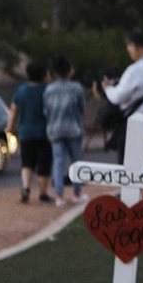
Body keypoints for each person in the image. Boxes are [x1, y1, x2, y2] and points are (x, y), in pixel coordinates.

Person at [101, 29, 143, 161]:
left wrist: (108, 89)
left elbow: (118, 97)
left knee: (128, 171)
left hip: (131, 126)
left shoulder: (135, 70)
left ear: (134, 47)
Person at [44, 56, 88, 206]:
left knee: (58, 161)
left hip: (54, 128)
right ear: (69, 71)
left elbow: (46, 110)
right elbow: (82, 108)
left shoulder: (50, 89)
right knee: (76, 161)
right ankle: (77, 192)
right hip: (73, 128)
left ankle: (59, 196)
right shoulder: (76, 88)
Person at [8, 63, 53, 204]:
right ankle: (43, 193)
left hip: (25, 132)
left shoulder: (21, 91)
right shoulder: (47, 91)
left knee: (27, 162)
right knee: (44, 163)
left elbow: (14, 110)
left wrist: (10, 126)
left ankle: (26, 187)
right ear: (44, 75)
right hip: (45, 133)